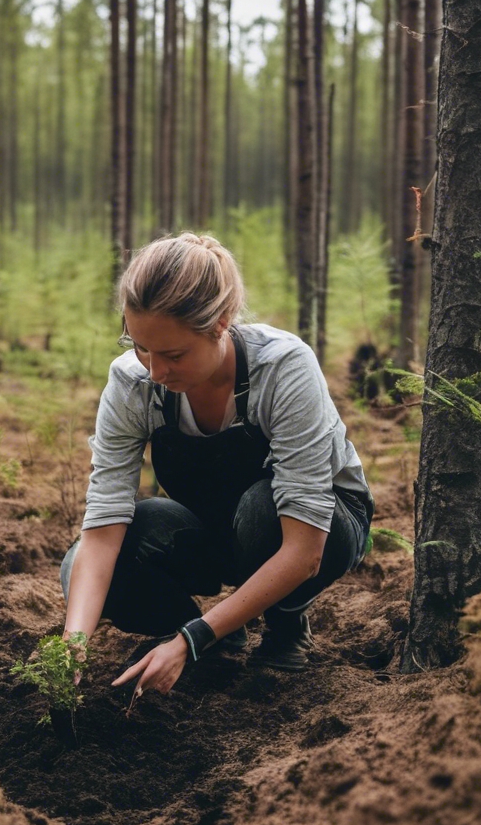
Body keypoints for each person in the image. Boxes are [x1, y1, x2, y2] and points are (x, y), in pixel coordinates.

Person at [59, 232, 373, 698]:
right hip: (214, 528)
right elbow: (104, 526)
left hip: (317, 529)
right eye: (141, 346)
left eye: (174, 354)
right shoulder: (133, 382)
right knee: (78, 570)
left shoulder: (283, 368)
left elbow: (304, 547)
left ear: (221, 324)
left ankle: (285, 624)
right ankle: (214, 632)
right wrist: (73, 644)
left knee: (262, 508)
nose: (154, 371)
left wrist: (191, 642)